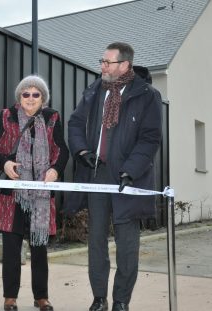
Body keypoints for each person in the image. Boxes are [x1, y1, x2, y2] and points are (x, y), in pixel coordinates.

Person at [65, 42, 162, 311]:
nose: (102, 66)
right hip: (96, 175)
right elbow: (75, 123)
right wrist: (81, 149)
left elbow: (150, 138)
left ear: (125, 65)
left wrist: (131, 170)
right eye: (102, 61)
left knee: (127, 246)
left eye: (108, 62)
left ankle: (121, 300)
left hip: (128, 178)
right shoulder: (94, 91)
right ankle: (99, 298)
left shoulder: (147, 95)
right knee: (96, 242)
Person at [0, 75, 69, 311]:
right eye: (26, 94)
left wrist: (55, 169)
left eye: (36, 94)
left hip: (41, 195)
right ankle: (10, 297)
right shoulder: (7, 116)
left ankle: (41, 296)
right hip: (12, 193)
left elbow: (62, 149)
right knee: (11, 247)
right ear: (19, 97)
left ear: (43, 98)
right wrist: (4, 164)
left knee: (39, 247)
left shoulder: (52, 117)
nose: (30, 98)